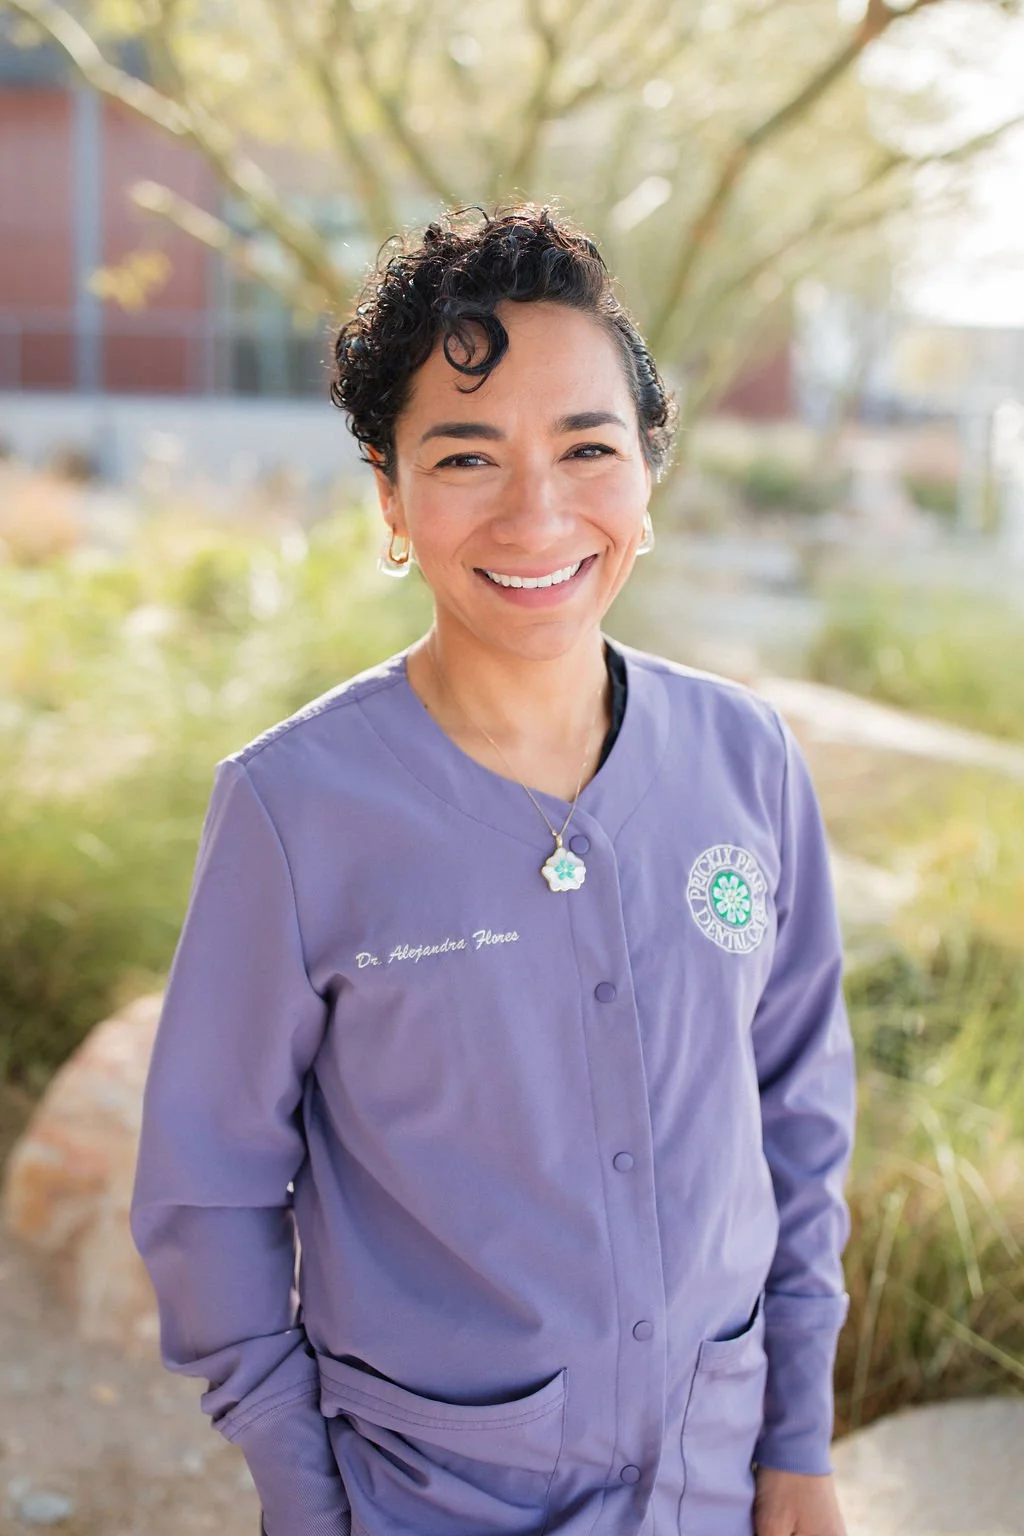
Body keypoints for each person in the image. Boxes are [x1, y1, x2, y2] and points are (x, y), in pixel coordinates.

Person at [130, 204, 856, 1536]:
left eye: (588, 447)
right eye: (466, 456)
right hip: (427, 1502)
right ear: (391, 499)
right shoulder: (294, 809)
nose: (537, 512)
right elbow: (207, 1188)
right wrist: (310, 1498)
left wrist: (795, 1441)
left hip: (719, 1486)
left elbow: (800, 1123)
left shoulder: (744, 761)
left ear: (648, 474)